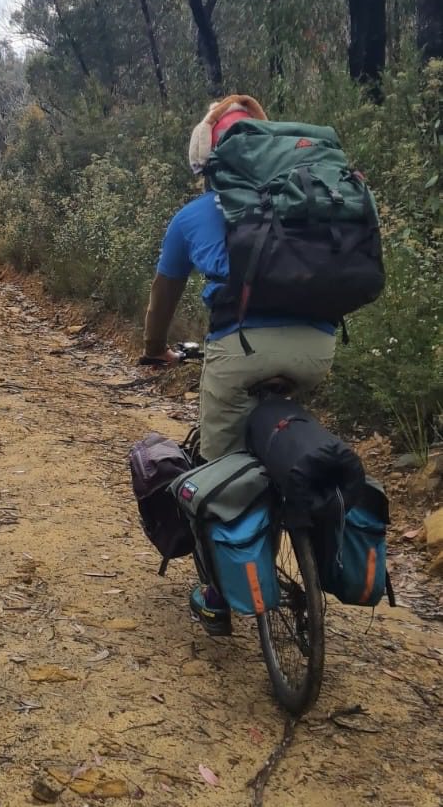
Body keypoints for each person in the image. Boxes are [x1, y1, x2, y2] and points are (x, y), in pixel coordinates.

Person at [142, 94, 337, 636]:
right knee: (278, 443)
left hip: (239, 353)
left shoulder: (194, 215)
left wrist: (155, 347)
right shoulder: (307, 200)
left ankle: (218, 595)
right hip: (318, 351)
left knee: (215, 471)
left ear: (206, 160)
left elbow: (164, 297)